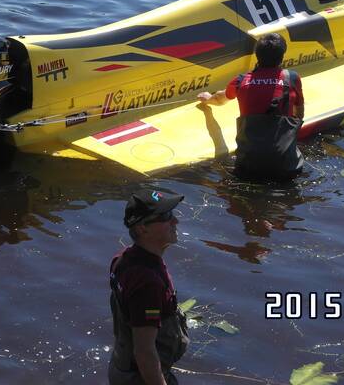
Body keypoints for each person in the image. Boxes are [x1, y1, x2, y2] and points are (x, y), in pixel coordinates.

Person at [197, 33, 305, 180]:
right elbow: (299, 116)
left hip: (247, 168)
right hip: (286, 168)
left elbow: (220, 99)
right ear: (282, 56)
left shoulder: (241, 81)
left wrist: (208, 100)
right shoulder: (292, 78)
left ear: (257, 55)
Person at [108, 190, 189, 385]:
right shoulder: (148, 283)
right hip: (141, 377)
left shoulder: (124, 258)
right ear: (143, 228)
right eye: (166, 216)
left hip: (123, 367)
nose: (175, 221)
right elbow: (145, 351)